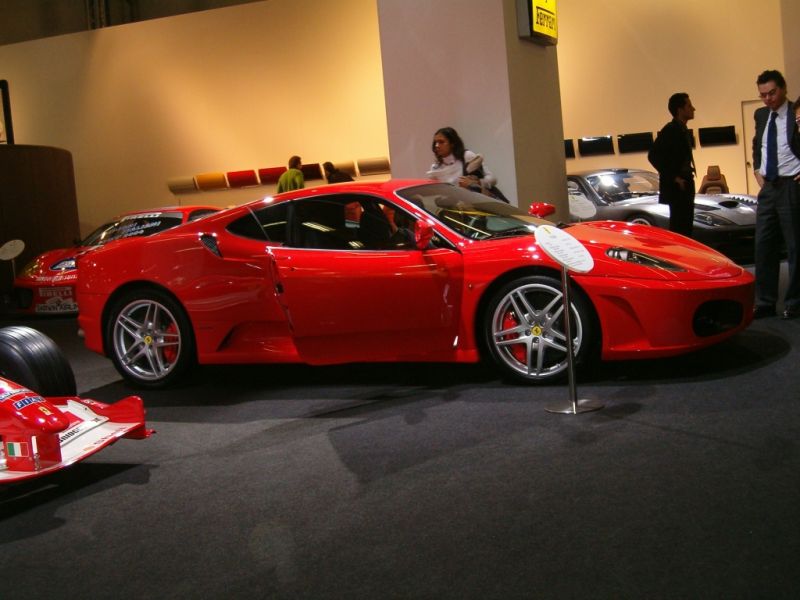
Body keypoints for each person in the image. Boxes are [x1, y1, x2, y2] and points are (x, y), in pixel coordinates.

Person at [751, 70, 800, 319]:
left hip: (792, 184)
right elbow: (757, 145)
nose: (768, 99)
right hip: (768, 187)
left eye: (772, 93)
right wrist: (758, 172)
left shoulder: (796, 112)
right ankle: (765, 302)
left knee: (795, 246)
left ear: (783, 89)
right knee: (763, 246)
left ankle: (794, 301)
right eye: (762, 95)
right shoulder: (760, 115)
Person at [647, 92, 696, 237]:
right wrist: (674, 177)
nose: (693, 109)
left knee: (686, 224)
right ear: (680, 110)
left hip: (685, 183)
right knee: (681, 227)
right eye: (689, 105)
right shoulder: (671, 130)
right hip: (678, 187)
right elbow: (653, 156)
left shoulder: (681, 129)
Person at [427, 127, 507, 201]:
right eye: (435, 142)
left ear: (452, 143)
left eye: (441, 142)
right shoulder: (435, 169)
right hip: (454, 210)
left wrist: (476, 183)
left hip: (479, 207)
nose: (437, 146)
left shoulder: (466, 156)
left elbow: (493, 179)